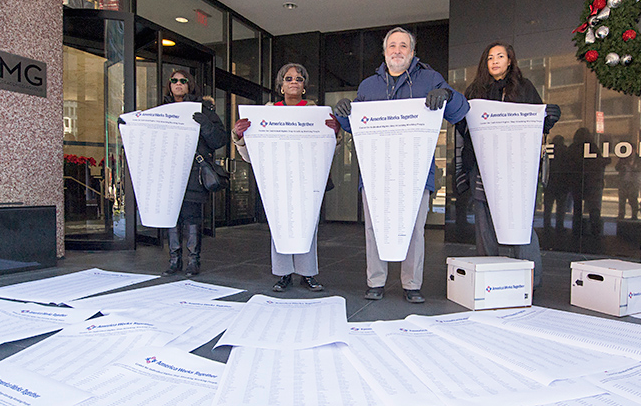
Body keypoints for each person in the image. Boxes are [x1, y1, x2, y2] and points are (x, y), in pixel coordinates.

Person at [334, 27, 469, 303]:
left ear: (412, 52)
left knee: (414, 230)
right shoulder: (368, 86)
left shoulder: (431, 78)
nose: (397, 50)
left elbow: (459, 112)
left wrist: (447, 94)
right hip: (375, 174)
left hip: (416, 173)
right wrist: (344, 112)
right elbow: (355, 127)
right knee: (373, 230)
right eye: (392, 45)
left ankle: (412, 284)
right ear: (385, 52)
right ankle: (376, 282)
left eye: (403, 46)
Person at [454, 41, 560, 288]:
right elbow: (463, 128)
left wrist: (550, 118)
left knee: (519, 226)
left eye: (500, 56)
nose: (494, 61)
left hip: (516, 169)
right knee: (485, 227)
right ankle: (491, 282)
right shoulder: (474, 90)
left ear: (510, 60)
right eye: (490, 57)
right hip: (482, 169)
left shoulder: (524, 88)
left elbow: (537, 124)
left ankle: (528, 282)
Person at [231, 63, 340, 292]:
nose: (293, 82)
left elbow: (329, 153)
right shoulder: (265, 115)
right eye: (288, 78)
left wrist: (335, 136)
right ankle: (283, 274)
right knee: (279, 226)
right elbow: (252, 157)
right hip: (277, 179)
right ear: (281, 86)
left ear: (304, 87)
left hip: (308, 179)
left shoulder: (317, 114)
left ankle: (307, 273)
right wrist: (240, 137)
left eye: (298, 79)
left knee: (307, 227)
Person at [160, 70, 227, 277]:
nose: (178, 84)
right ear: (169, 85)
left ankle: (193, 261)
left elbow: (220, 139)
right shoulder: (161, 110)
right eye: (174, 80)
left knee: (191, 217)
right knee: (172, 217)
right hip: (169, 171)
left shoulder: (203, 110)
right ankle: (174, 261)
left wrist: (206, 125)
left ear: (190, 85)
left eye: (183, 81)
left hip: (193, 172)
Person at [542, 135, 570, 232]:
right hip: (562, 183)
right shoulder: (565, 150)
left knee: (548, 206)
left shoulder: (548, 150)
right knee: (561, 207)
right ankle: (559, 225)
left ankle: (546, 225)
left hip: (550, 183)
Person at [615, 154, 641, 220]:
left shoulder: (639, 158)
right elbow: (617, 167)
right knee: (622, 199)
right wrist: (623, 166)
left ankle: (634, 215)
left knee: (632, 199)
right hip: (623, 182)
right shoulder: (623, 158)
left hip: (633, 183)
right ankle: (621, 215)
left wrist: (634, 167)